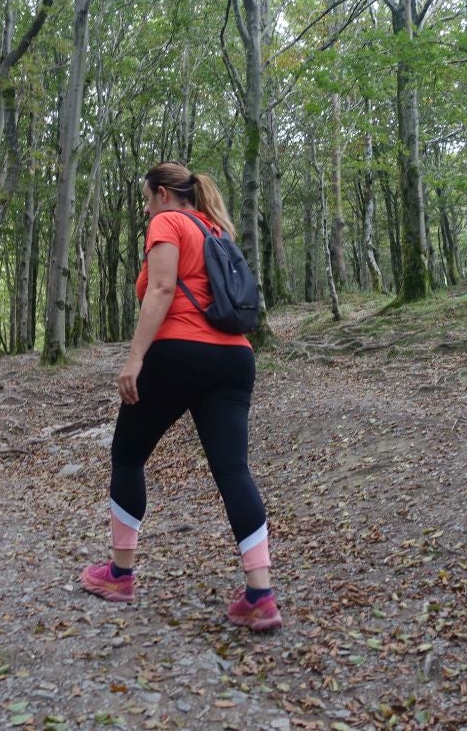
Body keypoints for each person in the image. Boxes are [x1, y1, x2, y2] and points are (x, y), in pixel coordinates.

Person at [78, 162, 280, 632]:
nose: (147, 208)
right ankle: (260, 593)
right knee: (233, 469)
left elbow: (164, 287)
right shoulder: (217, 230)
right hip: (235, 358)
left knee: (127, 455)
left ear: (165, 194)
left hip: (180, 353)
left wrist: (134, 359)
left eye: (148, 198)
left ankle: (120, 575)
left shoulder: (166, 222)